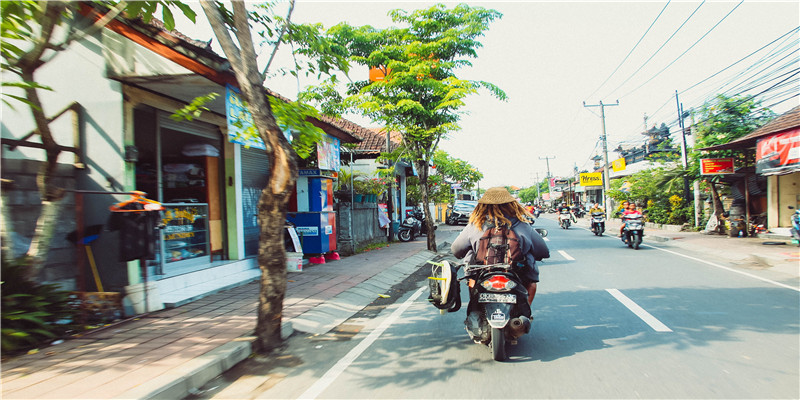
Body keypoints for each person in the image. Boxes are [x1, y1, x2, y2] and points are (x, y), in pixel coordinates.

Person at [451, 187, 549, 308]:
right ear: (511, 205)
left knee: (472, 271)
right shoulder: (522, 224)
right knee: (531, 277)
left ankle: (476, 307)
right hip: (516, 271)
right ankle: (526, 310)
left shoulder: (475, 225)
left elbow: (456, 249)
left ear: (482, 206)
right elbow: (543, 251)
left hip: (482, 270)